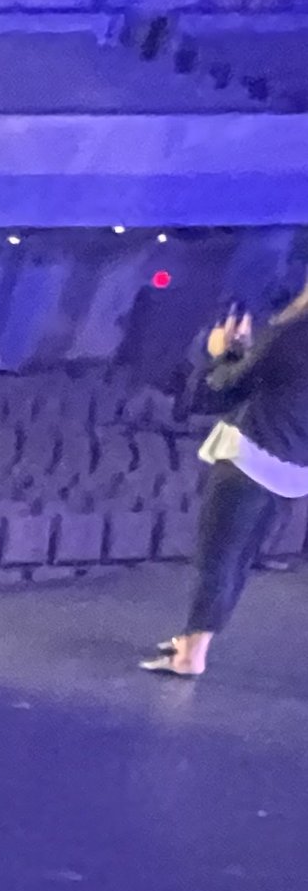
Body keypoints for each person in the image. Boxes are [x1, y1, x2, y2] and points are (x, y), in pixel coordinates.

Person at [141, 278, 308, 676]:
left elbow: (222, 390)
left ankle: (190, 655)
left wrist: (220, 353)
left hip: (253, 454)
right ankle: (193, 640)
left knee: (216, 557)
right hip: (294, 469)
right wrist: (246, 356)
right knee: (240, 558)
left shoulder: (292, 332)